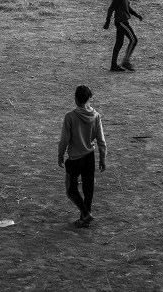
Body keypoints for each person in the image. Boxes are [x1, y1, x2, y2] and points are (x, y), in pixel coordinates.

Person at [57, 84, 108, 228]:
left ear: (76, 99)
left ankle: (85, 214)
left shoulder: (70, 117)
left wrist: (60, 155)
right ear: (89, 99)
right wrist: (102, 158)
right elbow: (101, 140)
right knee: (88, 188)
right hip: (89, 157)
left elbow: (65, 140)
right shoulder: (96, 116)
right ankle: (85, 217)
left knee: (71, 189)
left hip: (75, 159)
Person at [103, 0, 142, 72]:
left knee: (119, 43)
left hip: (122, 21)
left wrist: (136, 15)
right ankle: (125, 61)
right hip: (121, 22)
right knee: (133, 40)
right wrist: (107, 21)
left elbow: (128, 8)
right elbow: (111, 8)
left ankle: (113, 65)